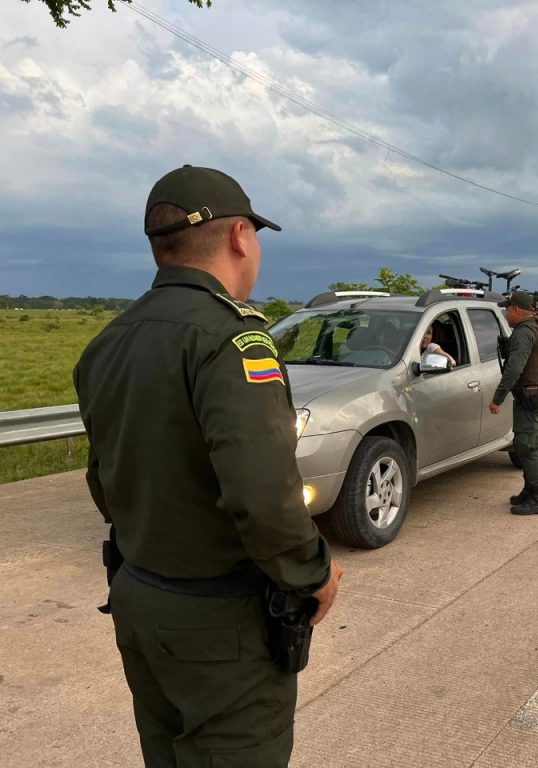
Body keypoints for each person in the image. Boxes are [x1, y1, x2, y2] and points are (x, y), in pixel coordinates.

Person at [73, 165, 343, 768]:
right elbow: (264, 494)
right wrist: (313, 574)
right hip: (220, 622)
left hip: (139, 595)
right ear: (241, 237)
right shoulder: (232, 339)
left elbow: (104, 479)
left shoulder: (109, 342)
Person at [488, 291, 538, 515]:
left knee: (527, 448)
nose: (506, 313)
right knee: (523, 444)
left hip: (531, 397)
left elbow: (514, 368)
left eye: (508, 309)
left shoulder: (524, 333)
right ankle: (529, 490)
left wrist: (497, 398)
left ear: (516, 310)